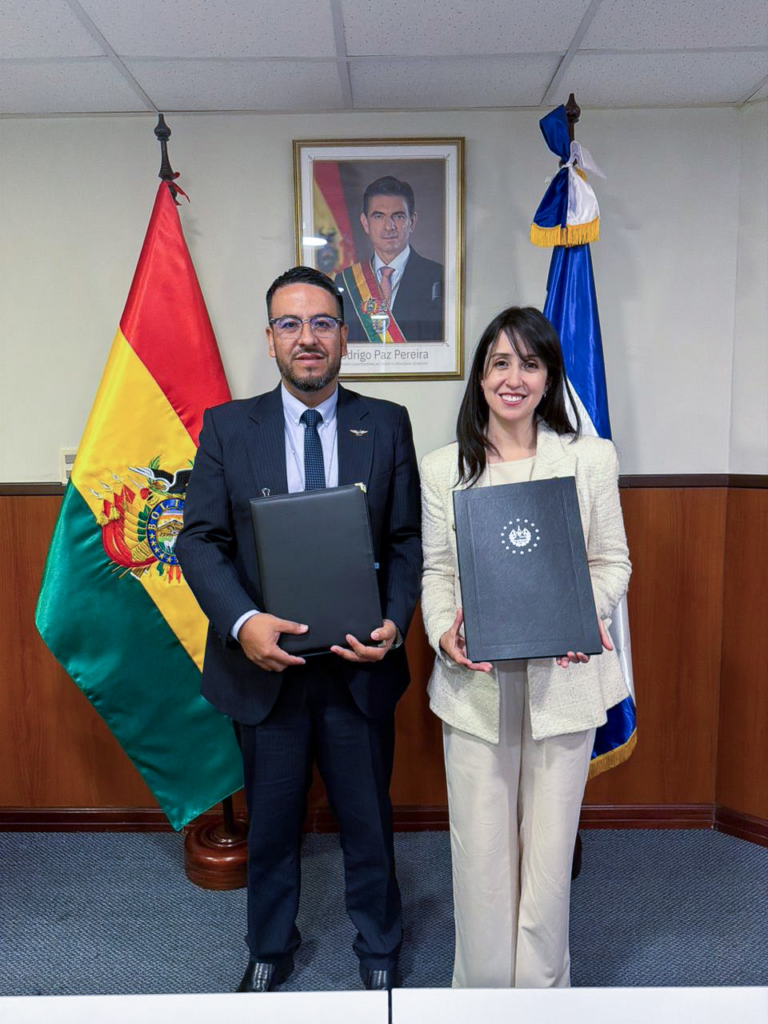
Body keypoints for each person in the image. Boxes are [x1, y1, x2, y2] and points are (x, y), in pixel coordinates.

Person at [175, 265, 422, 993]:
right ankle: (269, 946)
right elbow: (199, 541)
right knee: (273, 823)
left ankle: (379, 946)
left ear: (344, 336)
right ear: (270, 339)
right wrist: (243, 622)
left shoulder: (387, 423)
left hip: (359, 665)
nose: (306, 338)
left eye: (321, 323)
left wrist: (394, 621)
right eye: (290, 324)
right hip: (265, 668)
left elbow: (405, 540)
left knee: (367, 820)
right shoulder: (229, 427)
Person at [420, 307, 631, 988]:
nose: (514, 378)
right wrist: (444, 630)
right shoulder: (443, 469)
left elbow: (612, 562)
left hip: (562, 679)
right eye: (500, 363)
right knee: (480, 856)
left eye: (530, 364)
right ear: (481, 377)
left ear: (548, 378)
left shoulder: (590, 459)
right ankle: (481, 997)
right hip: (477, 685)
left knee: (547, 859)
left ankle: (542, 997)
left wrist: (583, 614)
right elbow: (437, 573)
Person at [335, 175, 444, 343]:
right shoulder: (345, 281)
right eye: (379, 216)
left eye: (398, 216)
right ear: (365, 223)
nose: (389, 226)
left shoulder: (437, 276)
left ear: (412, 221)